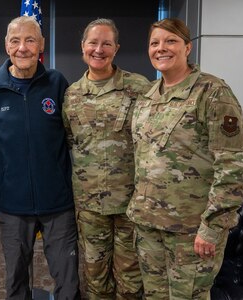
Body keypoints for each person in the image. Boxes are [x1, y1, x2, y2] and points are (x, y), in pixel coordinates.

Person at [126, 18, 243, 299]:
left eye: (170, 41)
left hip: (190, 230)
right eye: (155, 43)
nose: (161, 48)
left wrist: (212, 227)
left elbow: (234, 167)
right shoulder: (148, 96)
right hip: (148, 226)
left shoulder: (213, 93)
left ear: (187, 47)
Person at [0, 16, 80, 300]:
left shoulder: (57, 83)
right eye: (16, 41)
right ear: (6, 46)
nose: (23, 47)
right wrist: (6, 158)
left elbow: (72, 134)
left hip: (58, 203)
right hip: (12, 205)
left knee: (69, 282)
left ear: (41, 45)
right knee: (16, 281)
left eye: (30, 40)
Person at [62, 18, 150, 299]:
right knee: (95, 279)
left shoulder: (138, 88)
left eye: (106, 43)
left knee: (130, 281)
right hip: (89, 207)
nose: (99, 49)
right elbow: (69, 141)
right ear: (83, 47)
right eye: (93, 42)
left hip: (130, 204)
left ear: (116, 48)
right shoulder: (72, 95)